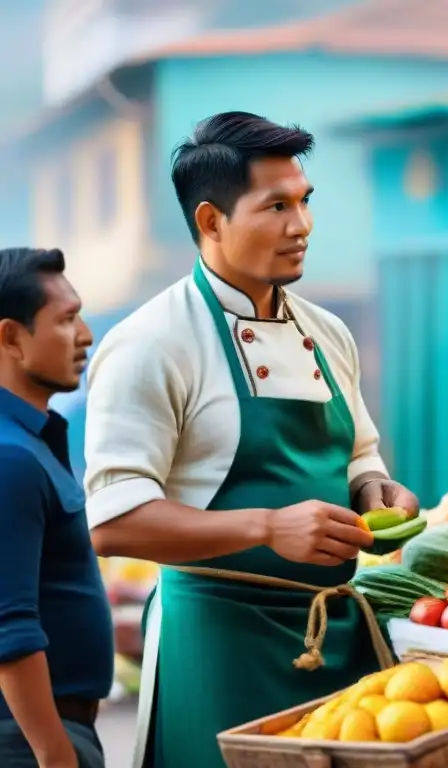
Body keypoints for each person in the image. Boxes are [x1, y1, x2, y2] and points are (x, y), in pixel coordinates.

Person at [82, 112, 419, 768]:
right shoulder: (150, 344)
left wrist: (373, 486)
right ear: (212, 222)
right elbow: (113, 522)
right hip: (217, 649)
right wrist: (268, 526)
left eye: (304, 202)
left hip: (337, 636)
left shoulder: (328, 332)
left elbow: (359, 454)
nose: (302, 226)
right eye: (277, 206)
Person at [0, 247, 112, 768]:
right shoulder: (9, 457)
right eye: (66, 320)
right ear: (11, 338)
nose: (85, 335)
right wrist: (55, 755)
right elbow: (10, 629)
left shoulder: (30, 443)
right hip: (28, 741)